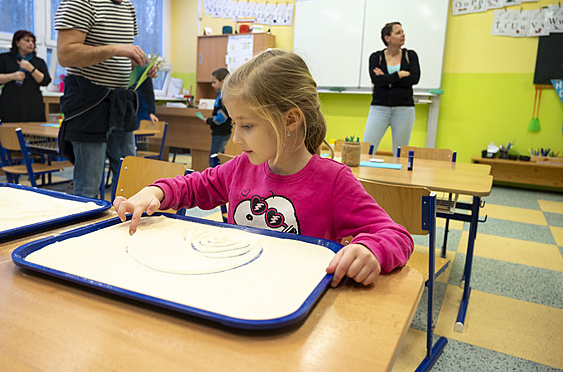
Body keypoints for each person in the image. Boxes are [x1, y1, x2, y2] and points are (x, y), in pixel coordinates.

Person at [114, 49, 413, 287]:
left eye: (246, 125)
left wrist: (372, 250)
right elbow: (193, 186)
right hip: (238, 288)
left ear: (290, 120)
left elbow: (396, 235)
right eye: (234, 124)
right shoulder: (241, 167)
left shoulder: (333, 181)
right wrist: (155, 191)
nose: (235, 137)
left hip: (297, 302)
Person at [55, 0, 159, 198]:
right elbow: (65, 54)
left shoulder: (128, 9)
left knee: (130, 183)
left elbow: (121, 57)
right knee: (88, 187)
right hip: (88, 102)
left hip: (121, 102)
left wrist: (141, 67)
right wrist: (116, 49)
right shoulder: (80, 0)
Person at [363, 22, 420, 155]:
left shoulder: (410, 56)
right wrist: (399, 75)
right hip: (379, 108)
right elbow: (376, 80)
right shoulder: (376, 57)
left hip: (404, 109)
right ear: (387, 38)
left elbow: (414, 79)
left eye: (402, 31)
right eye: (398, 32)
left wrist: (386, 78)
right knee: (367, 149)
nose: (403, 35)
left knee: (400, 152)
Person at [0, 30, 51, 123]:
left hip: (33, 105)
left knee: (34, 135)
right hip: (10, 104)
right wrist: (13, 76)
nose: (31, 44)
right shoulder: (5, 58)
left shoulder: (39, 62)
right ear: (17, 43)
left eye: (33, 42)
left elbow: (45, 81)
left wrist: (31, 69)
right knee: (9, 135)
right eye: (27, 41)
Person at [204, 67, 231, 167]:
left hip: (221, 133)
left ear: (223, 81)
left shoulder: (224, 97)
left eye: (214, 82)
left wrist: (209, 121)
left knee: (215, 159)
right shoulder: (220, 95)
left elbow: (221, 118)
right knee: (217, 157)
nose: (212, 85)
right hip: (218, 133)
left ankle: (214, 180)